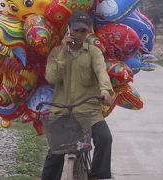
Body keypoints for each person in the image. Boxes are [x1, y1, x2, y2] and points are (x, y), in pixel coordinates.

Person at [41, 10, 114, 180]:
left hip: (89, 111)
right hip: (62, 112)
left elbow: (101, 71)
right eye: (76, 30)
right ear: (68, 30)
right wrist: (63, 53)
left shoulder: (93, 52)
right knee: (55, 154)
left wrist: (105, 90)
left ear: (88, 32)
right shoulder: (56, 53)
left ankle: (97, 176)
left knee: (105, 139)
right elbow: (52, 78)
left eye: (83, 31)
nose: (80, 35)